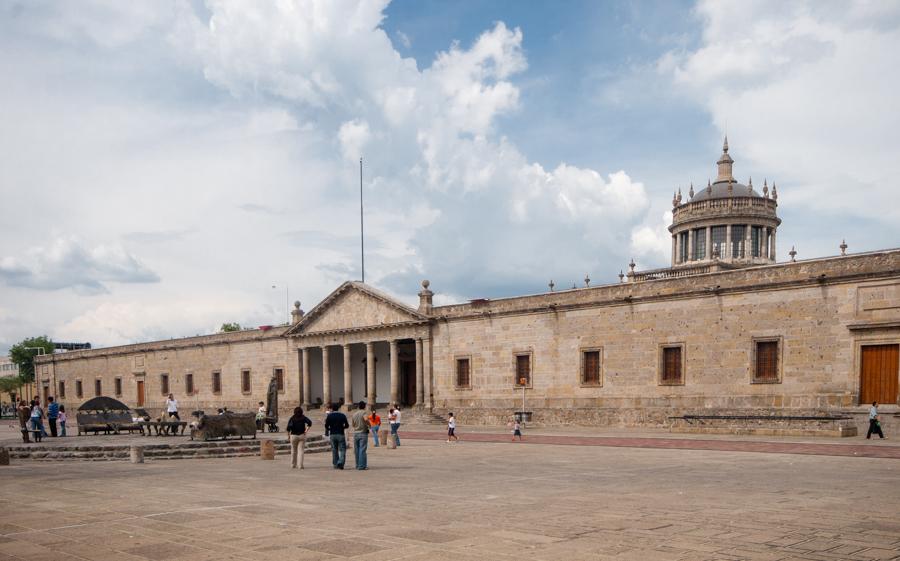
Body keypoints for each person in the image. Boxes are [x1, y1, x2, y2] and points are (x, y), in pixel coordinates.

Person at [323, 403, 349, 469]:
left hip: (332, 434)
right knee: (342, 449)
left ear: (332, 409)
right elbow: (347, 425)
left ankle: (335, 464)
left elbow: (326, 425)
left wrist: (329, 429)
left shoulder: (330, 416)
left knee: (334, 449)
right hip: (340, 434)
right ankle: (341, 462)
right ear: (338, 408)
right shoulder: (342, 415)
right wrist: (343, 427)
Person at [351, 401, 370, 470]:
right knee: (362, 450)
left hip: (356, 433)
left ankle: (357, 465)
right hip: (363, 433)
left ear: (358, 406)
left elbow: (353, 424)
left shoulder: (354, 414)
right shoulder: (364, 413)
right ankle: (362, 466)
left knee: (357, 450)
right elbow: (366, 419)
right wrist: (369, 424)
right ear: (364, 406)